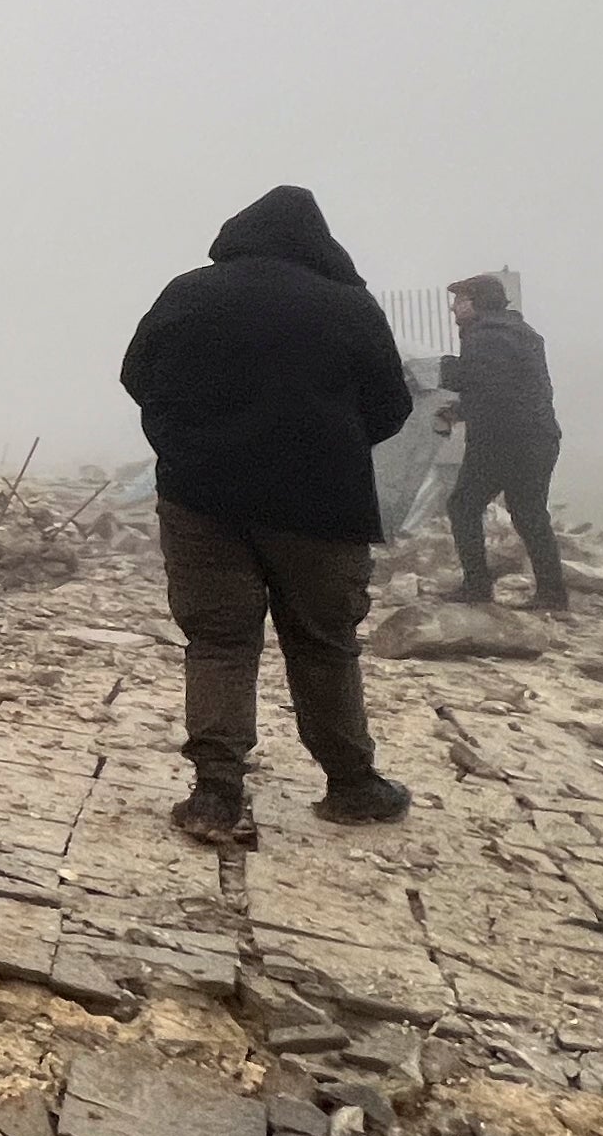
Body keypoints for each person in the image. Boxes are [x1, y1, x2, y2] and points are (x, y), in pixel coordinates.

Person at [119, 186, 417, 846]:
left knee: (220, 640)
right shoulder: (347, 304)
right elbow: (392, 406)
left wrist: (188, 440)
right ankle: (353, 786)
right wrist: (328, 442)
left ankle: (215, 794)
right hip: (322, 506)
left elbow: (139, 375)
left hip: (203, 499)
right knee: (324, 643)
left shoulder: (190, 292)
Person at [436, 273, 567, 612]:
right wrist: (462, 409)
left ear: (477, 301)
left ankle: (477, 587)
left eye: (459, 299)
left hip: (504, 441)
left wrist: (448, 371)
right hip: (536, 436)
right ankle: (553, 594)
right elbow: (505, 389)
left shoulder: (486, 336)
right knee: (529, 513)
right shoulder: (521, 333)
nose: (453, 308)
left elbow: (486, 386)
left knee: (463, 505)